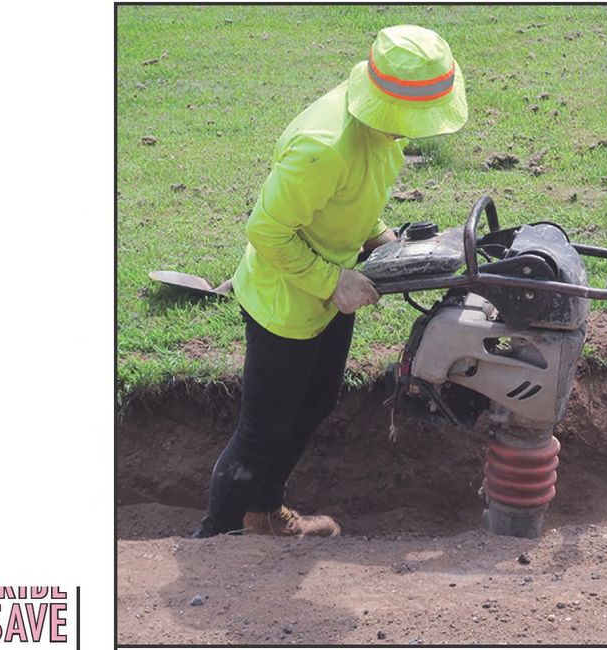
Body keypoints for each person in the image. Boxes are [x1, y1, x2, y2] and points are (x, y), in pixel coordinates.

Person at [193, 25, 468, 538]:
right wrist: (331, 280)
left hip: (328, 289)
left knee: (316, 401)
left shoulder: (377, 128)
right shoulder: (323, 148)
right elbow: (267, 231)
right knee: (262, 428)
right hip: (286, 301)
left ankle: (263, 512)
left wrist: (379, 237)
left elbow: (350, 197)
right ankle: (217, 539)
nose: (413, 129)